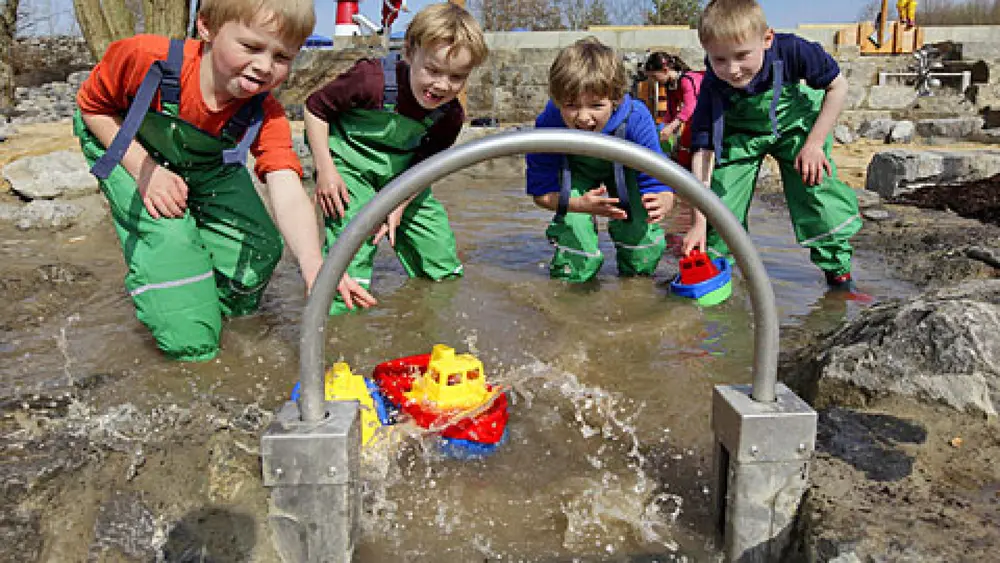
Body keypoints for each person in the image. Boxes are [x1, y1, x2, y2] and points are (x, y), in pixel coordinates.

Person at [74, 0, 375, 362]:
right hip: (126, 144)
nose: (264, 66)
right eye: (250, 47)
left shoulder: (265, 113)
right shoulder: (143, 58)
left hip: (203, 159)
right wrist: (145, 170)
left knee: (261, 248)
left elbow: (287, 189)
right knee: (175, 258)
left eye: (282, 57)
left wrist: (314, 266)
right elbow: (93, 107)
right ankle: (184, 313)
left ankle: (225, 314)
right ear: (206, 27)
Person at [304, 2, 488, 315]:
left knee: (438, 254)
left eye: (457, 77)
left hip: (405, 179)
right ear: (409, 52)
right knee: (354, 243)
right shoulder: (370, 80)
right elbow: (314, 108)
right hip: (349, 171)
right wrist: (325, 171)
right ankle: (340, 323)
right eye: (432, 70)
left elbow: (427, 167)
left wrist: (399, 204)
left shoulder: (450, 114)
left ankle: (433, 323)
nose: (442, 85)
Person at [682, 0, 863, 293]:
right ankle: (718, 276)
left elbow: (837, 87)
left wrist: (815, 144)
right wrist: (697, 222)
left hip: (796, 128)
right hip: (742, 134)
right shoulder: (713, 85)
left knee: (815, 191)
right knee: (721, 204)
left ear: (767, 39)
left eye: (742, 55)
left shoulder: (794, 50)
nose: (733, 70)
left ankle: (839, 276)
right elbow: (703, 153)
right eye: (719, 60)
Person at [525, 37, 676, 284]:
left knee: (641, 233)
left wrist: (665, 196)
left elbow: (657, 176)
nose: (584, 118)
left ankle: (636, 284)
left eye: (596, 105)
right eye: (571, 106)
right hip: (576, 172)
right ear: (557, 99)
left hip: (625, 169)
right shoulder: (548, 124)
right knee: (575, 230)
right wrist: (578, 205)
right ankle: (571, 290)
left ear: (615, 99)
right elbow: (542, 194)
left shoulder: (636, 118)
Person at [643, 51, 704, 169]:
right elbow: (670, 111)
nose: (654, 81)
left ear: (665, 70)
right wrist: (661, 128)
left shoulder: (687, 80)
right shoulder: (671, 85)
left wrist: (671, 127)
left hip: (704, 117)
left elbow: (690, 107)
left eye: (654, 76)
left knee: (690, 143)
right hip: (694, 119)